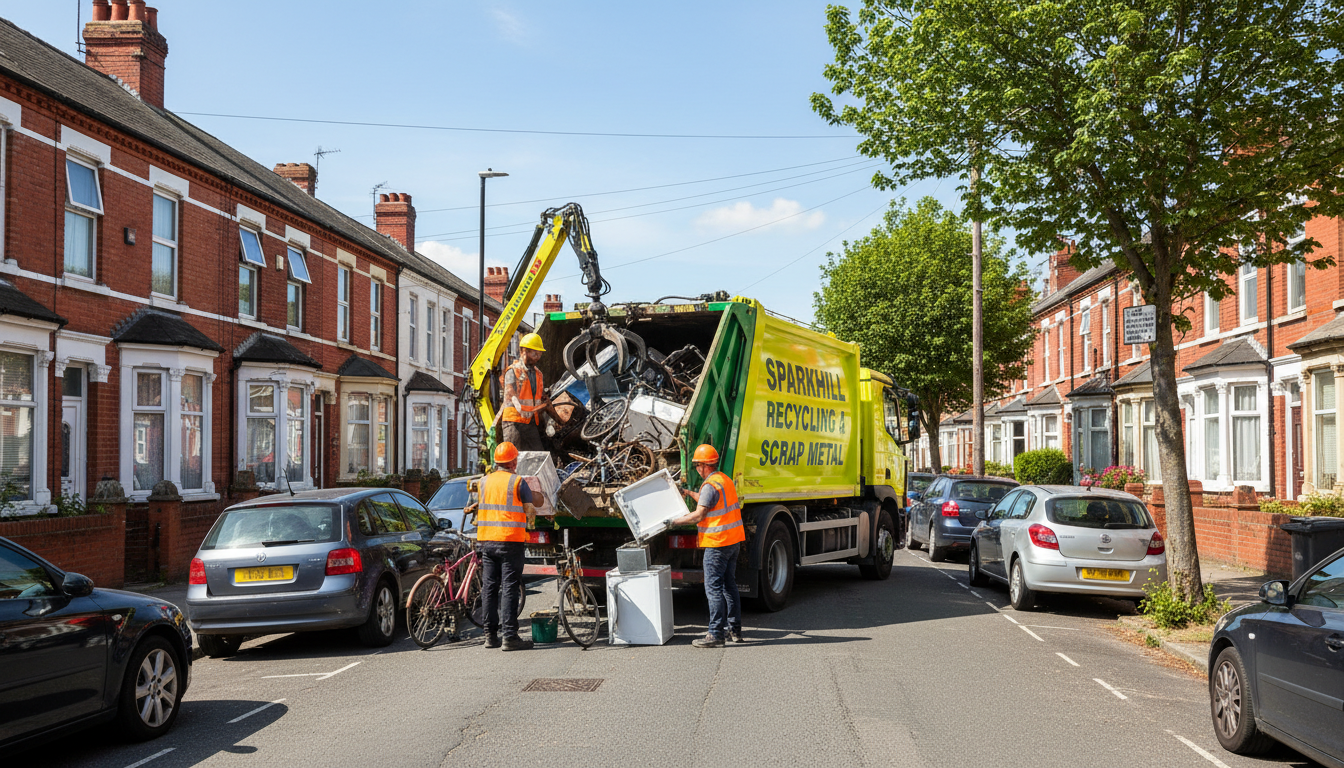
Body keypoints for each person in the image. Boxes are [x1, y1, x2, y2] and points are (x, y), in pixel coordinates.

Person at [670, 444, 746, 648]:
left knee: (713, 589)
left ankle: (715, 634)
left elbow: (699, 514)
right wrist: (687, 492)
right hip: (732, 541)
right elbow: (709, 502)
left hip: (717, 544)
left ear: (704, 465)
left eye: (697, 465)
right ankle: (735, 631)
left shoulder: (710, 486)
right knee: (730, 586)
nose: (696, 469)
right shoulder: (723, 480)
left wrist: (673, 522)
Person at [474, 441, 537, 650]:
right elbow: (529, 511)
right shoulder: (518, 482)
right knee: (510, 587)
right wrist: (532, 522)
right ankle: (509, 637)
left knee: (489, 588)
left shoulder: (483, 482)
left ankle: (490, 636)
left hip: (487, 541)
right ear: (513, 461)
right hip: (510, 541)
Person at [499, 333, 554, 453]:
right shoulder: (514, 371)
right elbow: (510, 391)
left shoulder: (538, 374)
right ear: (524, 352)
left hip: (530, 422)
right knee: (513, 456)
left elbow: (537, 397)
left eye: (540, 354)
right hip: (514, 421)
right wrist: (518, 406)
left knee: (538, 455)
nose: (538, 357)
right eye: (534, 353)